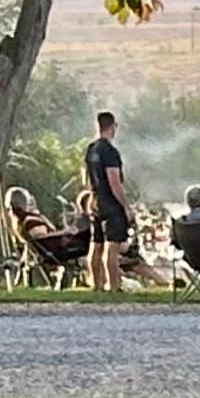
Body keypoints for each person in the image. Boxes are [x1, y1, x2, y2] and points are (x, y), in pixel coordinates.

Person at [80, 112, 135, 292]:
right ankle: (113, 285)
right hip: (110, 202)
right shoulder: (110, 152)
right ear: (112, 127)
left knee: (96, 244)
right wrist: (125, 206)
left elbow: (85, 177)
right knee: (112, 245)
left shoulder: (91, 149)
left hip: (95, 200)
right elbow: (114, 181)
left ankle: (96, 285)